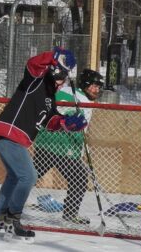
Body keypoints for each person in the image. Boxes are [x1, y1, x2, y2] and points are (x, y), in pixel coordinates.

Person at [0, 46, 86, 241]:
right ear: (53, 71)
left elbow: (50, 120)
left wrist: (67, 123)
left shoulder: (50, 96)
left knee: (15, 177)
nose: (62, 82)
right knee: (28, 176)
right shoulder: (36, 80)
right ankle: (12, 219)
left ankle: (0, 216)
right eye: (60, 77)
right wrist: (53, 57)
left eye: (64, 79)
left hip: (13, 137)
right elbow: (33, 64)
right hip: (9, 132)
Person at [33, 68, 105, 225]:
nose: (96, 90)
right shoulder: (75, 96)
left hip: (45, 144)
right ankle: (70, 214)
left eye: (99, 87)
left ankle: (6, 205)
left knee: (30, 177)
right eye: (94, 86)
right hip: (62, 147)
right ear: (85, 85)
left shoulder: (69, 92)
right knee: (79, 178)